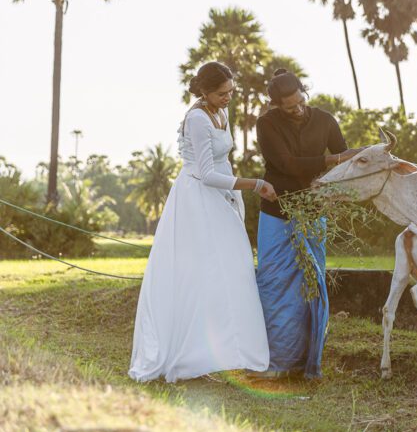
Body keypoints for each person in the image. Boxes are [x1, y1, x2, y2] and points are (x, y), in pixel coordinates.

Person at [129, 61, 277, 383]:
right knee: (203, 275)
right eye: (222, 93)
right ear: (205, 91)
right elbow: (207, 174)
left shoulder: (220, 113)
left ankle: (219, 353)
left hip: (220, 197)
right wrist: (253, 185)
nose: (228, 98)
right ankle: (191, 356)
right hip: (198, 199)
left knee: (229, 271)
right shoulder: (196, 118)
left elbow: (222, 162)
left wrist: (234, 193)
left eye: (231, 92)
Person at [255, 68, 362, 379]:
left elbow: (344, 157)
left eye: (300, 100)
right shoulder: (266, 124)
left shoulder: (326, 120)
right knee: (274, 285)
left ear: (304, 93)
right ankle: (276, 364)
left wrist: (332, 186)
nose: (297, 109)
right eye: (289, 106)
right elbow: (285, 163)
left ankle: (307, 364)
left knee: (310, 285)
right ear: (275, 105)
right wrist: (331, 162)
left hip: (314, 213)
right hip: (277, 212)